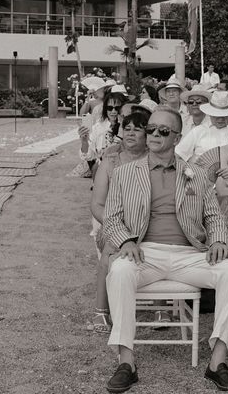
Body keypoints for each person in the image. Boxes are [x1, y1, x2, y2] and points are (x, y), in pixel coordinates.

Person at [103, 106, 228, 393]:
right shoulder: (124, 173)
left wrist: (218, 240)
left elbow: (214, 216)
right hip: (145, 253)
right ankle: (126, 362)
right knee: (118, 270)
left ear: (177, 137)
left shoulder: (196, 174)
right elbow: (111, 219)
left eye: (163, 131)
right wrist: (126, 242)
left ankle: (217, 362)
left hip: (189, 255)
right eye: (151, 129)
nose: (154, 134)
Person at [89, 111, 150, 334]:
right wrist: (117, 226)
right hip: (114, 222)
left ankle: (164, 305)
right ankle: (101, 310)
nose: (131, 132)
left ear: (148, 132)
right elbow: (97, 204)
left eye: (138, 128)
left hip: (148, 222)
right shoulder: (110, 160)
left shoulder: (155, 159)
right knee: (110, 246)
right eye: (128, 128)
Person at [175, 91, 228, 164]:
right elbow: (178, 155)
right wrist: (189, 170)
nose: (220, 119)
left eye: (224, 115)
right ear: (210, 113)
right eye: (216, 115)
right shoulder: (199, 131)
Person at [78, 88, 127, 166]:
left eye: (117, 108)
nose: (113, 111)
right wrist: (84, 141)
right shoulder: (98, 127)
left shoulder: (129, 128)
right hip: (103, 170)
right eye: (110, 108)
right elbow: (89, 156)